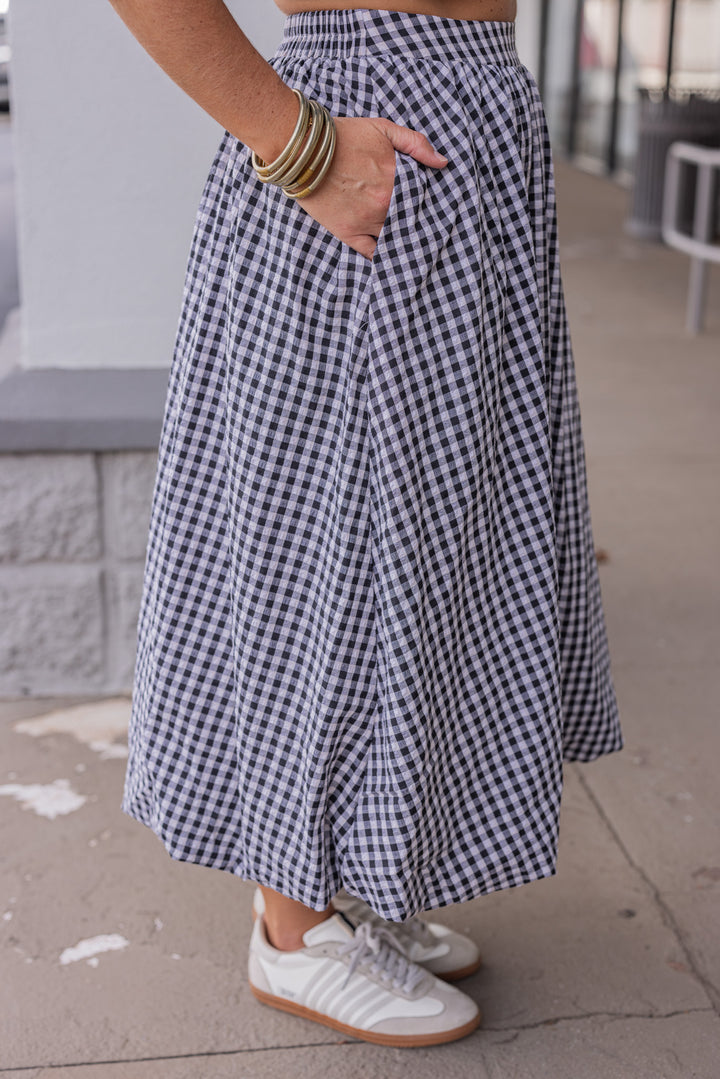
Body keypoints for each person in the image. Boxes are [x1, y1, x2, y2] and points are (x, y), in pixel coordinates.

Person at [110, 0, 623, 1049]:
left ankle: (342, 879)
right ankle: (292, 926)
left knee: (433, 550)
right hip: (372, 129)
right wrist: (301, 146)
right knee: (327, 540)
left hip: (456, 130)